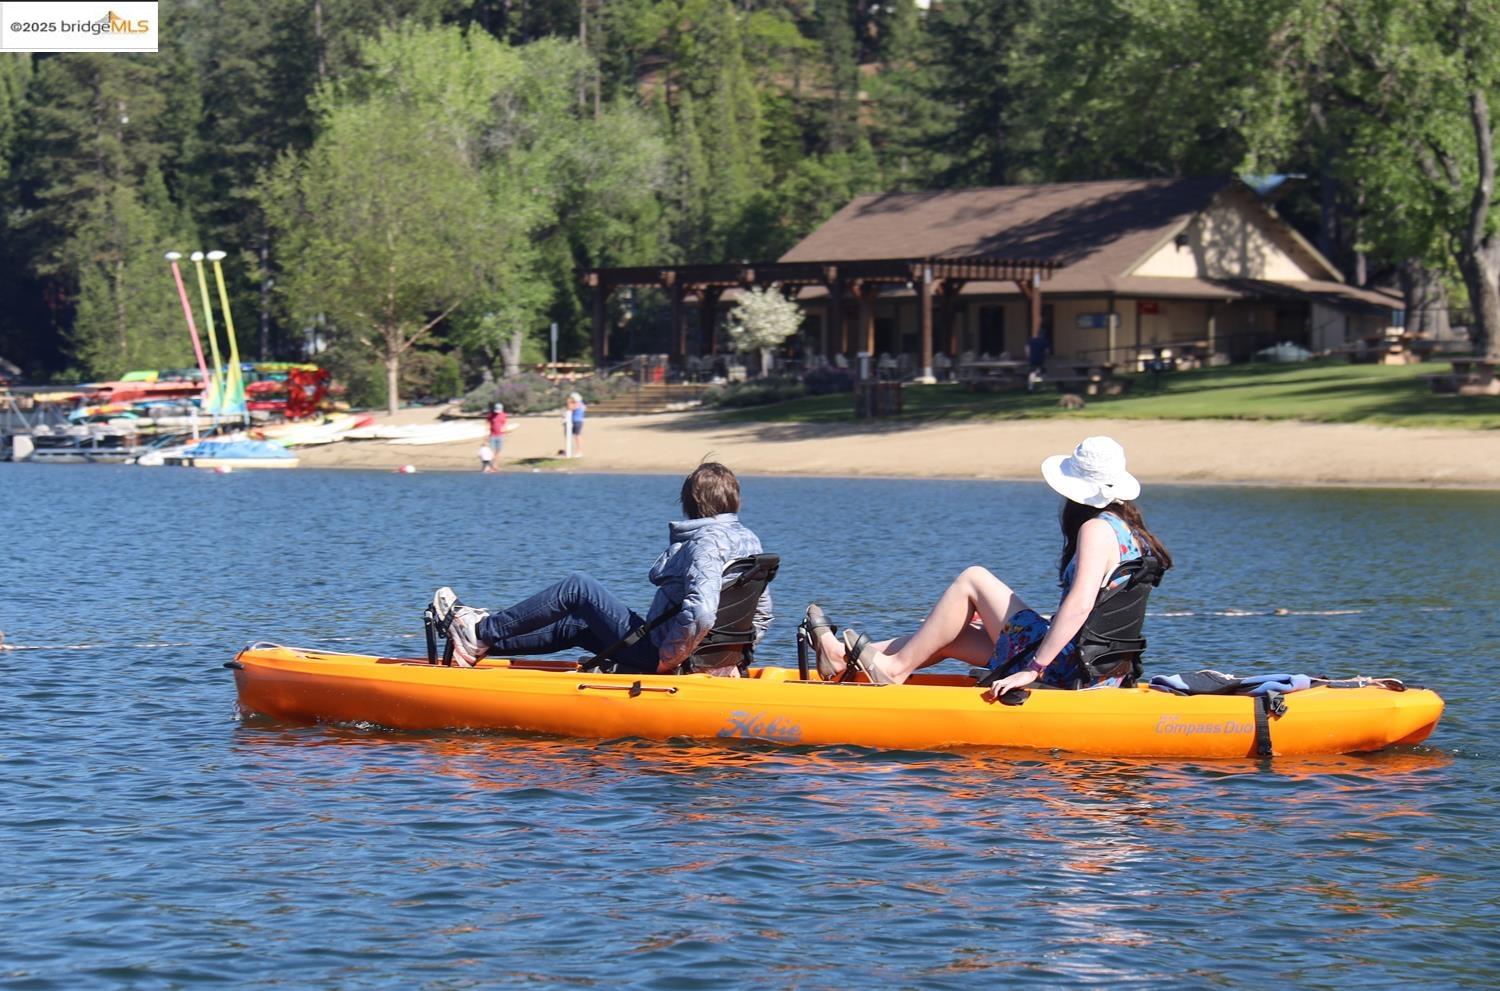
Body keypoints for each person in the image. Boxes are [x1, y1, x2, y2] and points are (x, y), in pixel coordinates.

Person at [806, 436, 1171, 697]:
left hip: (1068, 668)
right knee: (951, 633)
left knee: (973, 578)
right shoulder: (1130, 533)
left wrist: (1034, 669)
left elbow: (1079, 605)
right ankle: (844, 658)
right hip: (1098, 669)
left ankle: (893, 669)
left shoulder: (1095, 529)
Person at [431, 462, 770, 676]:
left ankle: (481, 630)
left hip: (665, 655)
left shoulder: (706, 544)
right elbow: (762, 612)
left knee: (578, 587)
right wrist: (729, 659)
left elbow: (702, 612)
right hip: (700, 658)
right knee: (579, 625)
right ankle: (482, 646)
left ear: (690, 504)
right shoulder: (749, 541)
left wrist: (670, 659)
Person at [485, 402, 507, 471]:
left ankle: (496, 465)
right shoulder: (490, 415)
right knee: (491, 452)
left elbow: (504, 423)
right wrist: (487, 434)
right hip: (492, 436)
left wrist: (504, 431)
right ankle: (492, 466)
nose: (497, 413)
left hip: (500, 436)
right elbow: (487, 423)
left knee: (498, 452)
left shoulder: (503, 415)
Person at [568, 391, 586, 456]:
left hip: (577, 421)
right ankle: (573, 450)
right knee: (575, 436)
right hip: (578, 420)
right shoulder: (581, 403)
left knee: (577, 436)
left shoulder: (578, 403)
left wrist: (569, 402)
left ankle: (579, 451)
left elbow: (570, 408)